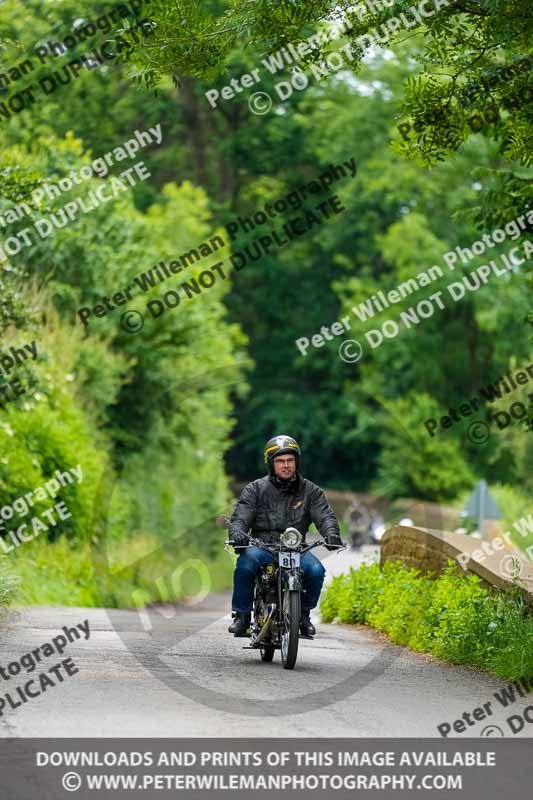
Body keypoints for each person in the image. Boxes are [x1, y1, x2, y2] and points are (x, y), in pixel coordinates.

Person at [227, 435, 343, 637]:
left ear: (296, 462)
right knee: (245, 565)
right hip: (262, 546)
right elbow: (241, 516)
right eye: (280, 461)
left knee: (315, 570)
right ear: (271, 464)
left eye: (290, 460)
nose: (286, 465)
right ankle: (242, 616)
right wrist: (237, 533)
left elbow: (325, 516)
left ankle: (303, 615)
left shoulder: (311, 491)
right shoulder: (255, 489)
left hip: (295, 548)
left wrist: (332, 533)